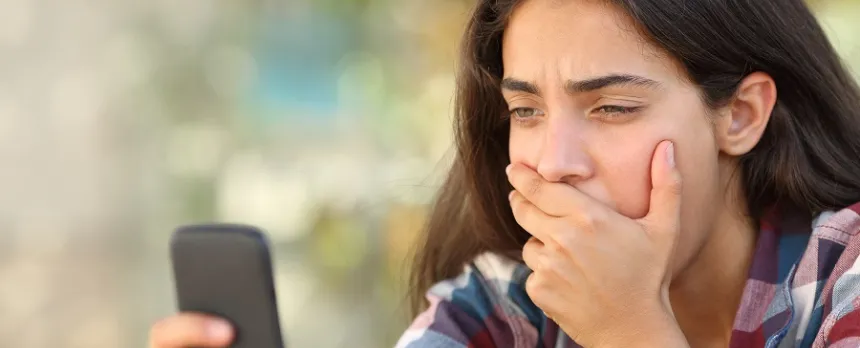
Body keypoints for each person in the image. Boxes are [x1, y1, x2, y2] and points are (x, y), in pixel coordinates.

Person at [148, 0, 860, 347]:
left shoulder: (843, 277)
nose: (554, 163)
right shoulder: (504, 307)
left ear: (739, 115)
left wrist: (631, 332)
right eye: (526, 111)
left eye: (611, 107)